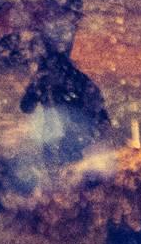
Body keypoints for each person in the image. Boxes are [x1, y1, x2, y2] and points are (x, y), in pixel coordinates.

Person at [19, 29, 107, 163]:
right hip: (58, 136)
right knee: (59, 160)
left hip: (72, 135)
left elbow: (96, 104)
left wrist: (100, 121)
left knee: (66, 160)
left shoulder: (73, 79)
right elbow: (26, 107)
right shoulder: (45, 80)